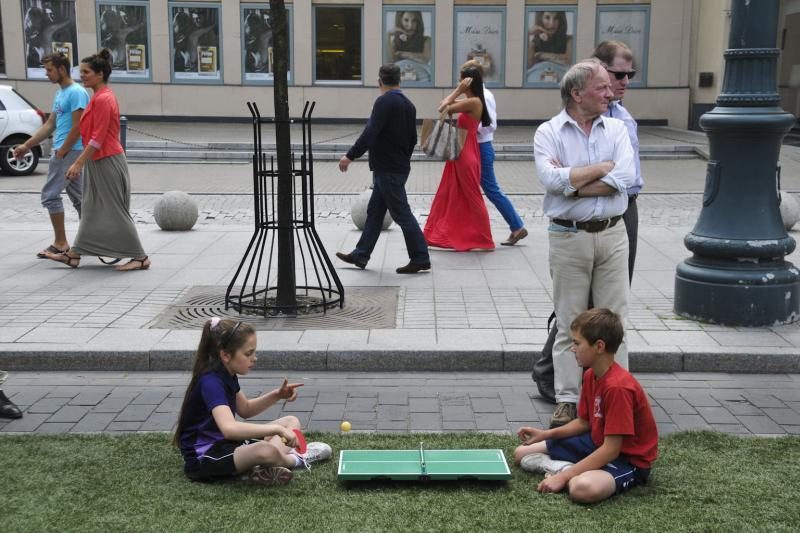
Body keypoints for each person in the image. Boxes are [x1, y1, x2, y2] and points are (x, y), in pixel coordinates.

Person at [533, 43, 643, 406]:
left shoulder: (616, 128)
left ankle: (616, 399)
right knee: (570, 324)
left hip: (613, 234)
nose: (612, 91)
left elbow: (625, 177)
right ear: (577, 93)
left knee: (615, 324)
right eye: (602, 87)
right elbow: (551, 182)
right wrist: (600, 169)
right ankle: (567, 402)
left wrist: (573, 185)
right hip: (569, 237)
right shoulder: (548, 132)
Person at [513, 309, 658, 504]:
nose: (573, 349)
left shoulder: (618, 388)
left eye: (577, 343)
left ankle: (566, 472)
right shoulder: (590, 375)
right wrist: (545, 434)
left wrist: (564, 478)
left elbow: (611, 450)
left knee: (581, 489)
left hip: (626, 460)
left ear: (599, 346)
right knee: (521, 453)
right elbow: (583, 422)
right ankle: (567, 469)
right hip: (596, 443)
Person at [174, 318, 332, 485]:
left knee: (291, 421)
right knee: (265, 450)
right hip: (205, 458)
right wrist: (276, 429)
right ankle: (296, 459)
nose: (254, 358)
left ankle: (260, 469)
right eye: (248, 354)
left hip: (227, 445)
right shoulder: (211, 382)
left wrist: (277, 395)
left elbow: (246, 409)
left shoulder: (227, 374)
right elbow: (229, 429)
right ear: (226, 355)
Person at [42, 49, 150, 271]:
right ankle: (74, 254)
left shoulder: (104, 99)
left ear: (100, 74)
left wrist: (78, 162)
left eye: (86, 72)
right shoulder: (98, 97)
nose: (82, 76)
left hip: (108, 161)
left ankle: (140, 257)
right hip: (98, 161)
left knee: (115, 209)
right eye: (81, 72)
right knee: (90, 208)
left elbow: (98, 138)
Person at [336, 64, 431, 274]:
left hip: (388, 169)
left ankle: (420, 257)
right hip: (396, 167)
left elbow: (370, 132)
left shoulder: (384, 102)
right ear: (400, 80)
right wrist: (402, 160)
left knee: (402, 213)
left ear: (379, 82)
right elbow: (412, 139)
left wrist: (350, 155)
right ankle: (360, 254)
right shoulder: (409, 104)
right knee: (374, 213)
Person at [13, 53, 89, 259]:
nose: (46, 74)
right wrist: (27, 145)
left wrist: (63, 150)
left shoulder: (76, 93)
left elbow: (78, 127)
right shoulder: (61, 93)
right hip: (65, 150)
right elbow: (50, 125)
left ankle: (61, 243)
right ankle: (93, 240)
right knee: (82, 199)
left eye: (49, 70)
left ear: (61, 69)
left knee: (50, 195)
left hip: (69, 151)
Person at [424, 67, 495, 251]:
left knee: (472, 195)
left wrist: (458, 91)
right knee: (450, 192)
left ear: (467, 82)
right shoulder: (471, 101)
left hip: (465, 154)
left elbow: (442, 107)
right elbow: (445, 104)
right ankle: (442, 233)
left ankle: (485, 239)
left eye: (460, 80)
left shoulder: (473, 102)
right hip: (463, 150)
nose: (458, 83)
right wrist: (457, 94)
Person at [461, 60, 527, 246]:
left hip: (481, 147)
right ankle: (516, 226)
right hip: (478, 146)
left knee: (490, 190)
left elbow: (490, 125)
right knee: (485, 190)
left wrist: (471, 128)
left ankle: (516, 226)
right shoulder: (477, 94)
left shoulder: (484, 96)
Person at [527, 11, 572, 84]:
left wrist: (541, 55)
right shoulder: (533, 43)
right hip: (535, 86)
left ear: (561, 20)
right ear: (540, 19)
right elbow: (528, 64)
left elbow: (569, 60)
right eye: (547, 17)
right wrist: (527, 34)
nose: (552, 23)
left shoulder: (569, 40)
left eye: (556, 18)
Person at [387, 11, 432, 83]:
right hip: (399, 82)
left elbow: (424, 59)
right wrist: (388, 35)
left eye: (414, 21)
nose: (410, 25)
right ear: (400, 21)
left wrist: (402, 54)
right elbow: (390, 61)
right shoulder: (394, 42)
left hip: (423, 81)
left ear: (418, 22)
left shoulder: (427, 40)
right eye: (406, 20)